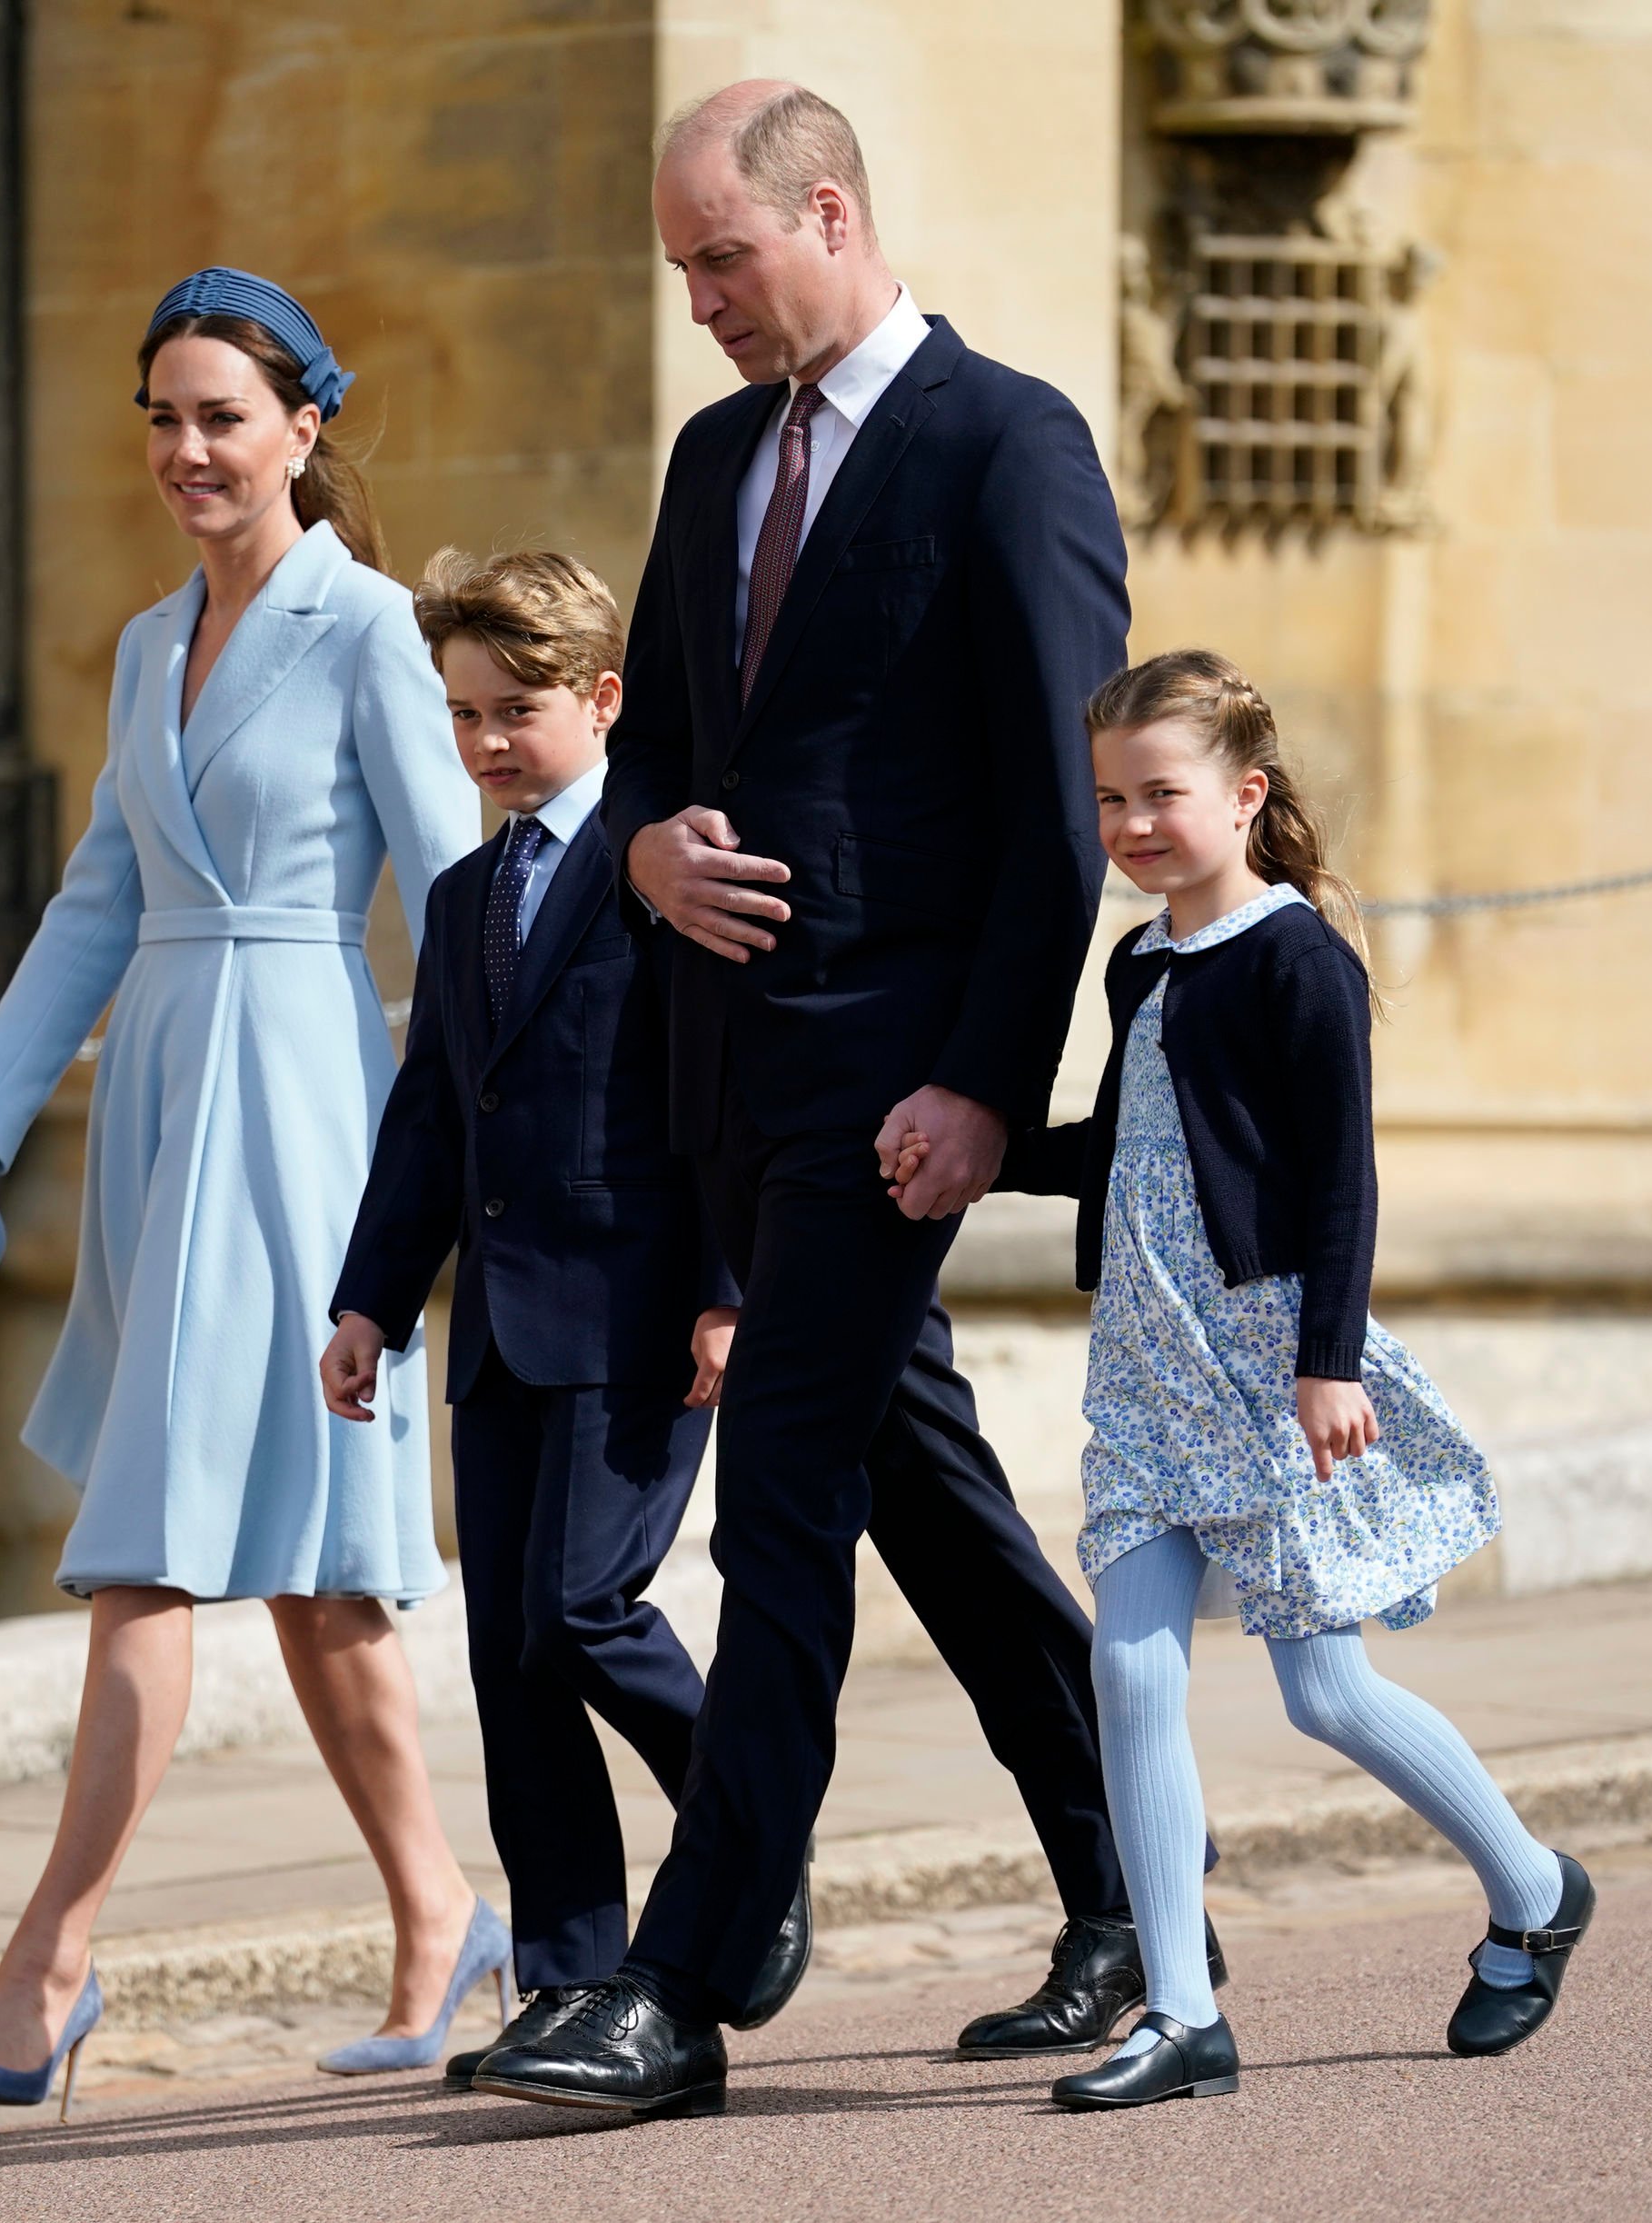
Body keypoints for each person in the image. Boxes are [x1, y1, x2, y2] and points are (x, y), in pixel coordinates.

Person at [474, 84, 1163, 2122]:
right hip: (726, 1091)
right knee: (919, 1481)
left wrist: (980, 1083)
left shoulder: (1003, 443)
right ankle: (1130, 1883)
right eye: (680, 267)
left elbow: (1056, 820)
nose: (696, 302)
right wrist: (640, 859)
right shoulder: (707, 460)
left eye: (721, 259)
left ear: (829, 214)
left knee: (776, 1506)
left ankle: (683, 1982)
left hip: (893, 1103)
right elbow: (661, 759)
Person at [0, 270, 502, 2111]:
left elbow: (462, 900)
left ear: (305, 425)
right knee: (318, 1579)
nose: (185, 450)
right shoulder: (148, 643)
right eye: (160, 416)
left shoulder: (372, 628)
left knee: (153, 1543)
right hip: (166, 1101)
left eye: (220, 415)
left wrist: (491, 1159)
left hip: (305, 1103)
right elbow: (92, 902)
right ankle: (441, 1909)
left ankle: (45, 1960)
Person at [948, 648, 1592, 2108]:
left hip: (1265, 1362)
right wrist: (983, 1151)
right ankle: (1181, 2012)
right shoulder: (1141, 961)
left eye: (1160, 795)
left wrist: (1329, 1362)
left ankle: (1536, 1886)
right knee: (1129, 1664)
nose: (1131, 825)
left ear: (1243, 796)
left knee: (1326, 1689)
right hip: (1145, 1365)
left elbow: (1341, 1181)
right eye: (1110, 798)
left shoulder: (1301, 959)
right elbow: (1127, 1147)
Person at [320, 548, 742, 2088]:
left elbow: (715, 1095)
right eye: (463, 714)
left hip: (641, 1315)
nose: (487, 741)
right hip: (498, 1332)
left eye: (517, 709)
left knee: (585, 1610)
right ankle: (569, 1978)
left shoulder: (660, 860)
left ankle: (745, 1826)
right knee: (509, 1654)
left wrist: (726, 1286)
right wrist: (372, 1296)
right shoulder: (458, 892)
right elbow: (432, 1115)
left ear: (606, 699)